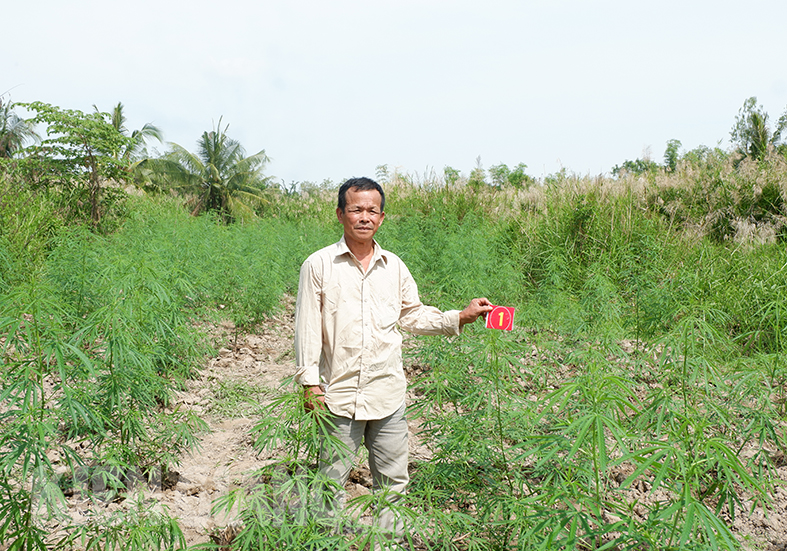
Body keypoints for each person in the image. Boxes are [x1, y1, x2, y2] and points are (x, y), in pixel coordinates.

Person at [294, 177, 492, 542]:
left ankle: (389, 544)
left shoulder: (394, 266)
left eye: (372, 210)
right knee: (329, 480)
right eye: (356, 209)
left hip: (387, 395)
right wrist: (310, 383)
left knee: (393, 484)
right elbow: (306, 327)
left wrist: (459, 316)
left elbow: (413, 315)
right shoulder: (319, 265)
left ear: (382, 218)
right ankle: (330, 542)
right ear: (341, 214)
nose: (364, 217)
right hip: (337, 396)